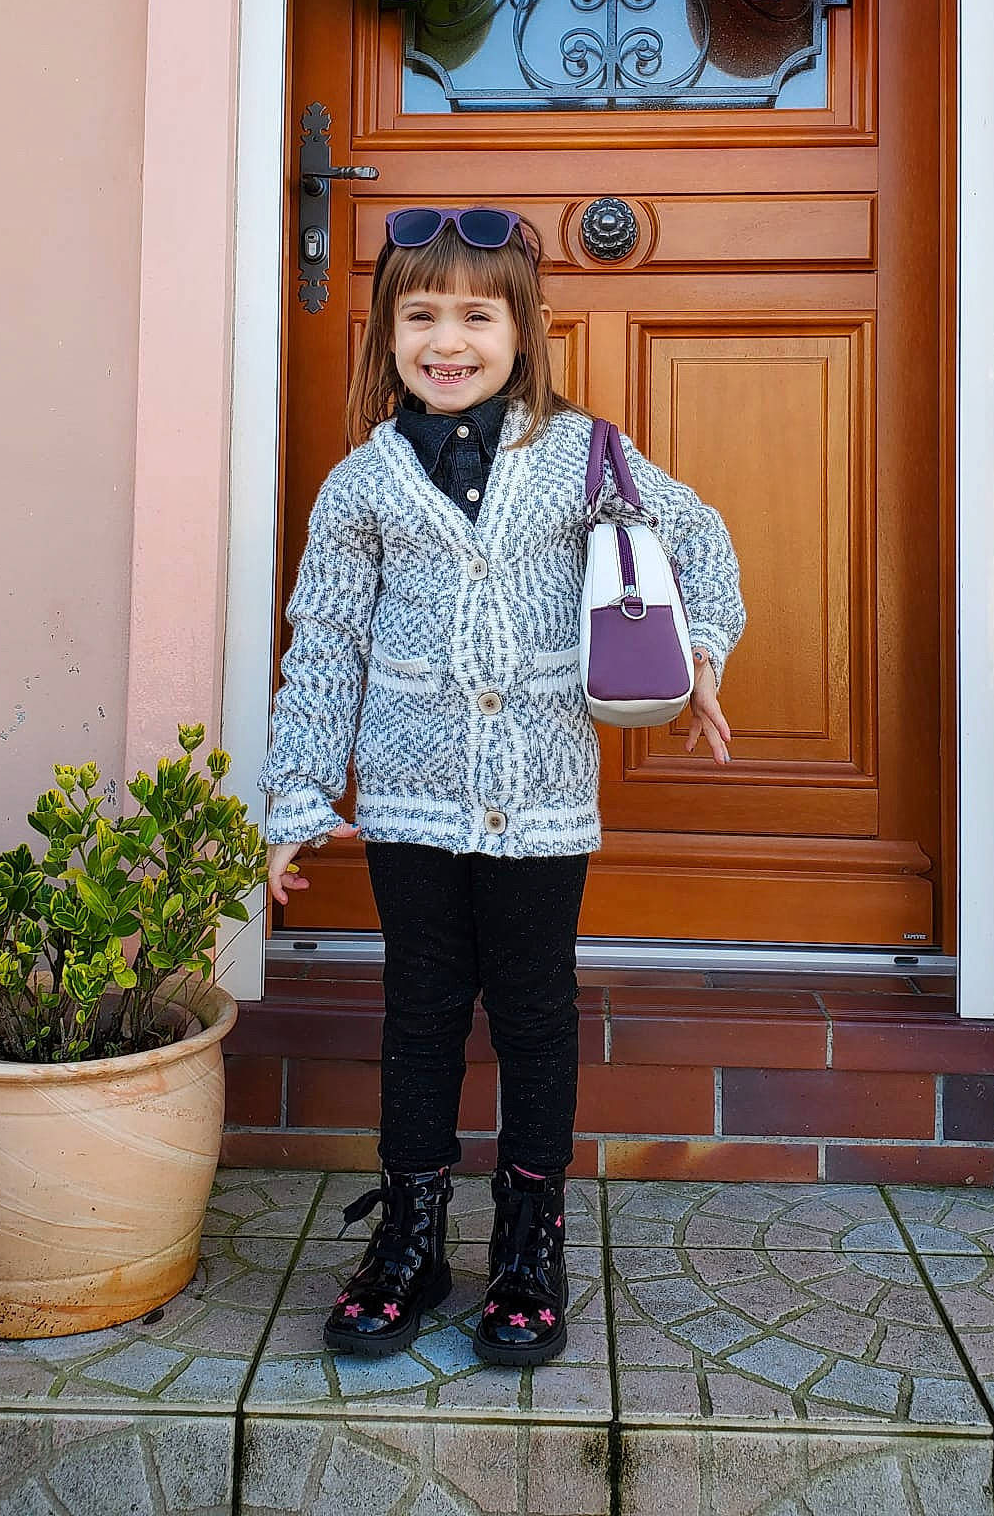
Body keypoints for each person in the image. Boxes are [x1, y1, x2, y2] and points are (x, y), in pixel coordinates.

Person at [259, 205, 745, 1367]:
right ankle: (412, 1242)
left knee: (533, 1017)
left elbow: (700, 538)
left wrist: (705, 647)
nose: (449, 339)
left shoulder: (584, 456)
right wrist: (293, 799)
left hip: (542, 803)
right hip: (412, 807)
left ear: (523, 330)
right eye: (422, 314)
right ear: (387, 331)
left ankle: (529, 1243)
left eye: (477, 315)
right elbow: (325, 643)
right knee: (419, 1016)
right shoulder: (362, 486)